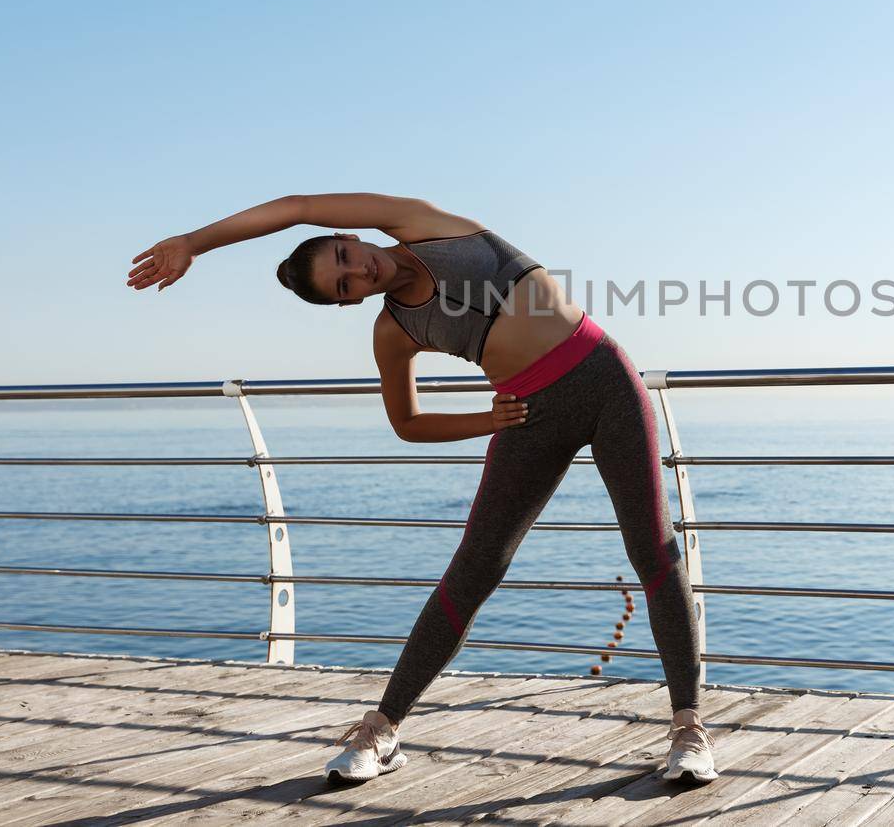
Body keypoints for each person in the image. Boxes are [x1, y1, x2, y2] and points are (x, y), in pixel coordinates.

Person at [127, 193, 716, 785]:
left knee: (651, 550)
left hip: (607, 381)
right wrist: (485, 422)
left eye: (343, 255)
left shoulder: (427, 226)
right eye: (343, 286)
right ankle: (380, 730)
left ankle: (688, 730)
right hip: (528, 412)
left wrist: (193, 243)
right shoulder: (394, 330)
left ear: (347, 236)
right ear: (347, 302)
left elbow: (297, 206)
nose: (358, 271)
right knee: (477, 565)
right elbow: (406, 423)